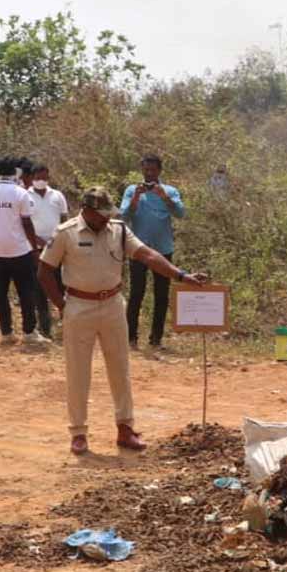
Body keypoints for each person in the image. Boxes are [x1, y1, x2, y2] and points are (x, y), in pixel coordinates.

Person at [37, 186, 208, 455]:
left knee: (120, 369)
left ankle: (125, 429)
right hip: (78, 307)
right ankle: (78, 432)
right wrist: (61, 304)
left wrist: (180, 275)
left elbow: (148, 255)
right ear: (87, 210)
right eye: (101, 214)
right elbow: (45, 271)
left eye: (108, 213)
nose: (106, 218)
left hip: (113, 305)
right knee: (78, 371)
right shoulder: (65, 233)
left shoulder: (119, 230)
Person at [120, 154, 186, 350]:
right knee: (136, 293)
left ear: (159, 171)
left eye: (152, 170)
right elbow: (124, 216)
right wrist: (137, 197)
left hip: (163, 249)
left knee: (161, 295)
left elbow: (181, 213)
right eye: (146, 170)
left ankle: (156, 339)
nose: (149, 174)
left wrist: (164, 197)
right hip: (139, 249)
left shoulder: (170, 191)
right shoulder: (132, 190)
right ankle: (130, 338)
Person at [0, 157, 47, 344]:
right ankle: (29, 332)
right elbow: (27, 223)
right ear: (14, 172)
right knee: (25, 291)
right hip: (19, 250)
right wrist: (34, 248)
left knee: (1, 293)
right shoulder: (20, 193)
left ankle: (6, 333)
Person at [28, 163, 69, 338]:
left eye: (44, 177)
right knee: (39, 289)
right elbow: (24, 224)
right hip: (35, 249)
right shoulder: (25, 196)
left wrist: (58, 239)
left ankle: (66, 324)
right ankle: (45, 328)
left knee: (61, 286)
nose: (41, 181)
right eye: (38, 178)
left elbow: (64, 218)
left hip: (57, 247)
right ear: (31, 178)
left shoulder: (57, 196)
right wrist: (38, 242)